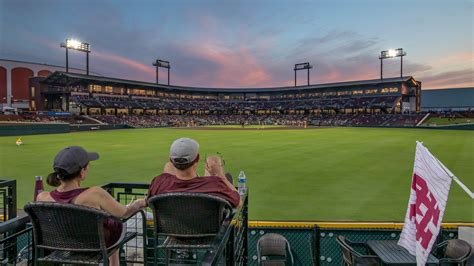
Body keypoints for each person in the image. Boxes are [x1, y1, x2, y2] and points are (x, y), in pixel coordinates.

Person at [36, 146, 146, 266]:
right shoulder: (94, 194)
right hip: (96, 247)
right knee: (116, 227)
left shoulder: (42, 198)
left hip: (61, 248)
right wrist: (140, 203)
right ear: (82, 173)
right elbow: (124, 213)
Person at [148, 138, 241, 208]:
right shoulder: (214, 183)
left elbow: (148, 201)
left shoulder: (159, 182)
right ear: (197, 158)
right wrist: (221, 176)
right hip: (209, 232)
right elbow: (239, 202)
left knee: (167, 167)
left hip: (171, 232)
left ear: (171, 160)